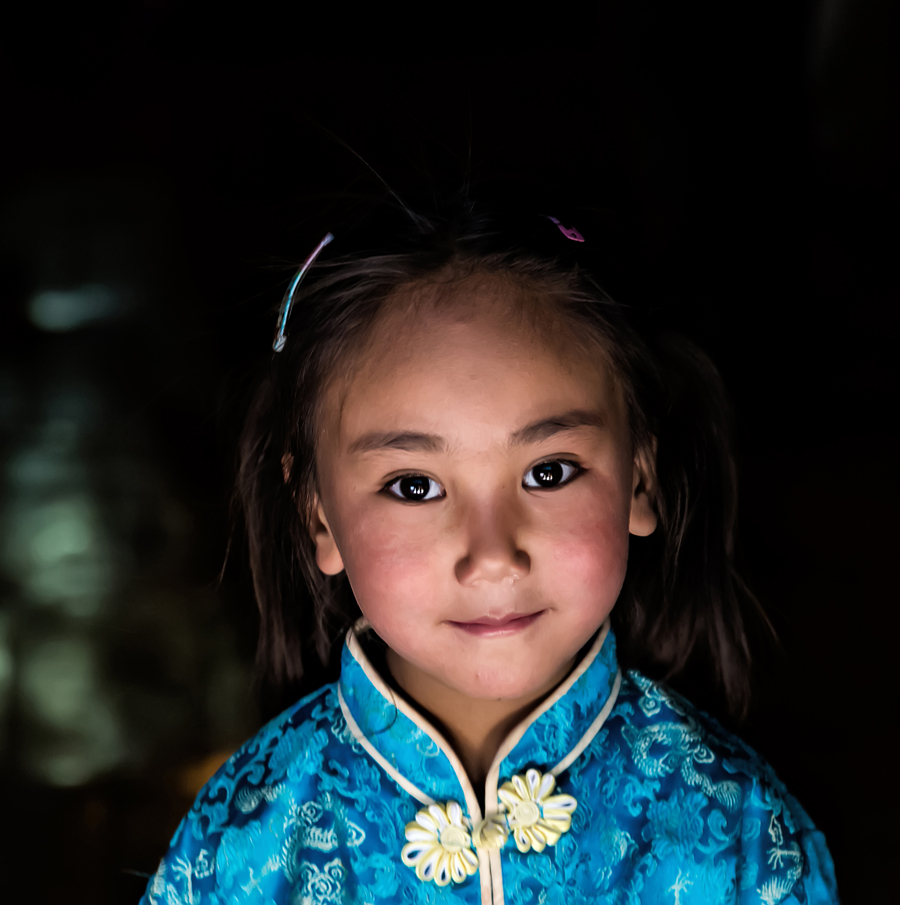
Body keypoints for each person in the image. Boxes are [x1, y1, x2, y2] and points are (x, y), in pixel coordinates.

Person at [140, 185, 839, 904]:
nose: (494, 554)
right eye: (414, 486)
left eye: (549, 472)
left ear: (639, 478)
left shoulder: (745, 835)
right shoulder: (242, 843)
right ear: (317, 516)